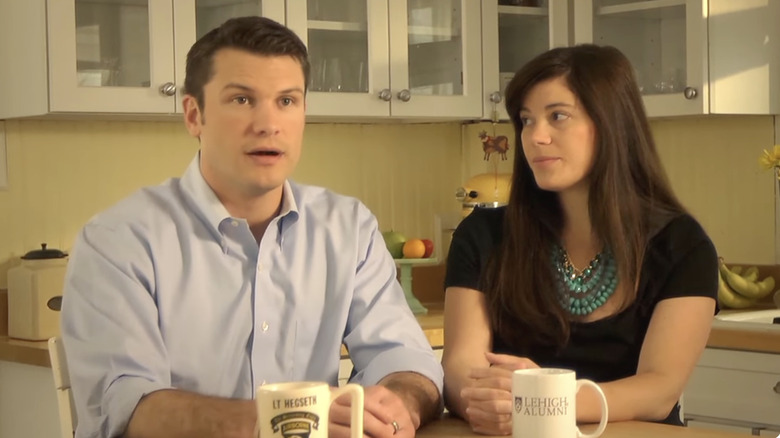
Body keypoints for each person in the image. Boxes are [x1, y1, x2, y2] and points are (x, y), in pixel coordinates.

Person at [61, 16, 442, 438]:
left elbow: (406, 358)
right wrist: (280, 421)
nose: (268, 124)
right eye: (242, 100)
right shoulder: (119, 241)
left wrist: (398, 404)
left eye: (286, 101)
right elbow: (126, 407)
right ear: (193, 115)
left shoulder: (348, 227)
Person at [442, 44, 718, 435]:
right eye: (526, 120)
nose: (536, 136)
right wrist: (479, 399)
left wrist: (545, 399)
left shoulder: (681, 245)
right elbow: (458, 368)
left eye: (557, 116)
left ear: (611, 124)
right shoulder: (483, 235)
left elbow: (659, 390)